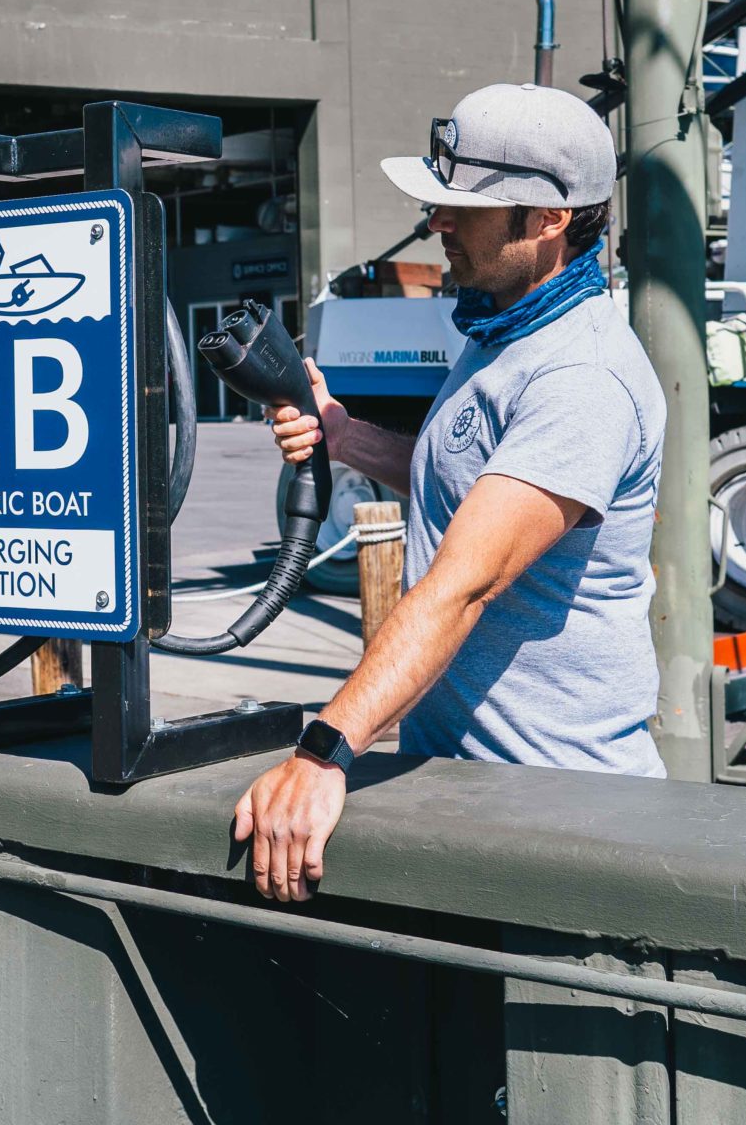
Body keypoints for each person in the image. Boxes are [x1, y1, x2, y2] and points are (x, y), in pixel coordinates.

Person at [230, 82, 668, 904]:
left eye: (465, 208)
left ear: (548, 220)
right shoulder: (506, 326)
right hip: (473, 791)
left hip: (561, 812)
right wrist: (345, 435)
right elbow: (469, 476)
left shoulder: (581, 374)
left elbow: (466, 581)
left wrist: (324, 752)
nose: (438, 225)